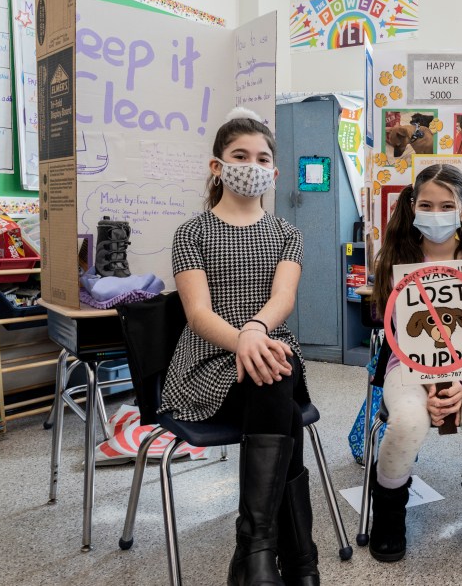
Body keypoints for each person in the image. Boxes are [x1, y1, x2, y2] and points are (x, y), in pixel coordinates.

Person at [159, 108, 318, 586]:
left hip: (268, 344)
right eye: (239, 155)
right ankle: (298, 562)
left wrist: (254, 332)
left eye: (262, 157)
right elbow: (198, 315)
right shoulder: (191, 233)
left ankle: (254, 555)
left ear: (274, 170)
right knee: (279, 390)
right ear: (218, 166)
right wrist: (244, 340)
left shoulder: (288, 234)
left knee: (274, 368)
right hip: (208, 360)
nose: (252, 164)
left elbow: (282, 298)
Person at [370, 163, 462, 565]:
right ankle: (389, 511)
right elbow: (398, 331)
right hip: (407, 364)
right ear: (412, 206)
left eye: (446, 205)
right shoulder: (396, 256)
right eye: (426, 204)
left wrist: (460, 383)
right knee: (410, 419)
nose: (435, 212)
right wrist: (430, 386)